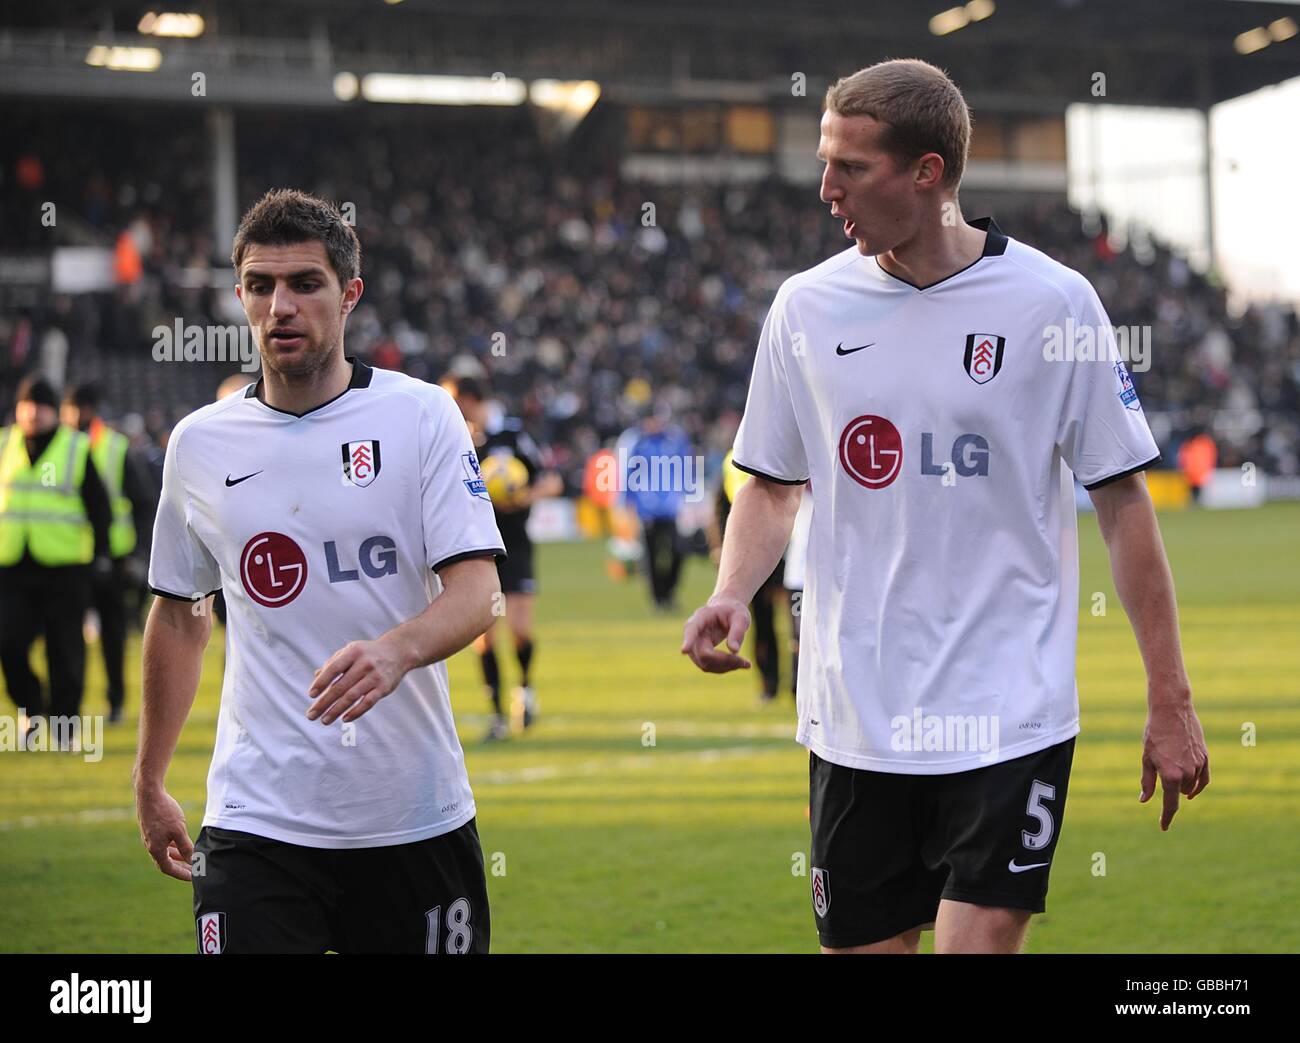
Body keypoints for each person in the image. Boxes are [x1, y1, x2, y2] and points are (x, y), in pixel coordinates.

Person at [681, 59, 1209, 955]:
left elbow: (1122, 501)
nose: (825, 189)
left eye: (850, 167)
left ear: (928, 173)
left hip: (1010, 707)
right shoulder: (804, 307)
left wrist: (1171, 695)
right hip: (856, 714)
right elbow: (772, 483)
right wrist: (733, 587)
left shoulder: (1054, 303)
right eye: (825, 162)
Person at [133, 188, 506, 953]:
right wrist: (149, 776)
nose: (282, 306)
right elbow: (180, 613)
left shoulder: (422, 416)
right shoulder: (199, 445)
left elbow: (477, 591)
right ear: (240, 296)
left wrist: (396, 648)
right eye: (261, 286)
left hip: (411, 813)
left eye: (306, 283)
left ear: (349, 294)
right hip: (254, 820)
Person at [443, 375, 562, 741]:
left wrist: (525, 497)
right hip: (480, 550)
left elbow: (553, 481)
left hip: (517, 546)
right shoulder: (454, 440)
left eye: (453, 398)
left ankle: (524, 692)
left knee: (521, 630)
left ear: (471, 399)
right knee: (485, 638)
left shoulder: (510, 435)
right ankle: (496, 715)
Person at [0, 375, 112, 732]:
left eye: (41, 406)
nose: (33, 413)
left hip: (66, 568)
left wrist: (101, 557)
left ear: (53, 411)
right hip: (11, 565)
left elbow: (100, 509)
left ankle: (64, 726)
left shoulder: (76, 448)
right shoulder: (4, 445)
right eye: (26, 405)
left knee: (64, 650)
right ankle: (30, 707)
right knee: (9, 642)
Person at [61, 382, 151, 723]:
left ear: (85, 409)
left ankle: (115, 702)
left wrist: (137, 554)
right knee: (69, 636)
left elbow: (143, 503)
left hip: (114, 557)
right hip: (71, 556)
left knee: (112, 635)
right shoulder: (63, 446)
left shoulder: (115, 448)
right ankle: (71, 706)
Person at [626, 405, 693, 612]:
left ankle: (668, 592)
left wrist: (688, 500)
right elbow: (629, 475)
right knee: (651, 556)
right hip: (647, 510)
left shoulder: (675, 440)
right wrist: (629, 504)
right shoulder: (637, 444)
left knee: (679, 551)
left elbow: (687, 467)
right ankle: (658, 600)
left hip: (671, 509)